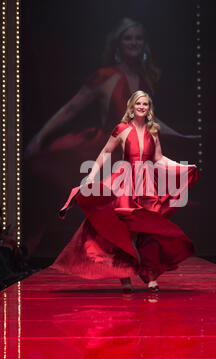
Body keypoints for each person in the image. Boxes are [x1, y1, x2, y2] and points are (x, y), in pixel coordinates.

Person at [24, 18, 199, 258]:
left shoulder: (146, 79)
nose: (134, 42)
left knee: (139, 214)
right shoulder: (106, 76)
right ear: (117, 44)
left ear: (144, 43)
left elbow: (150, 122)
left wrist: (179, 137)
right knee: (107, 213)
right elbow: (71, 109)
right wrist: (40, 137)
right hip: (107, 152)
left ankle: (133, 261)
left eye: (138, 37)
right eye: (128, 37)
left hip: (136, 159)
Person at [52, 90, 199, 293]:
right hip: (126, 180)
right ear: (131, 106)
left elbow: (158, 158)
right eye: (138, 103)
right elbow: (105, 152)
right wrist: (91, 176)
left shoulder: (153, 130)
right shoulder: (121, 129)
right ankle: (125, 276)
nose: (142, 107)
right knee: (124, 230)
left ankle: (150, 276)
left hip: (147, 183)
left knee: (148, 229)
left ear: (149, 108)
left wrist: (182, 167)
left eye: (145, 104)